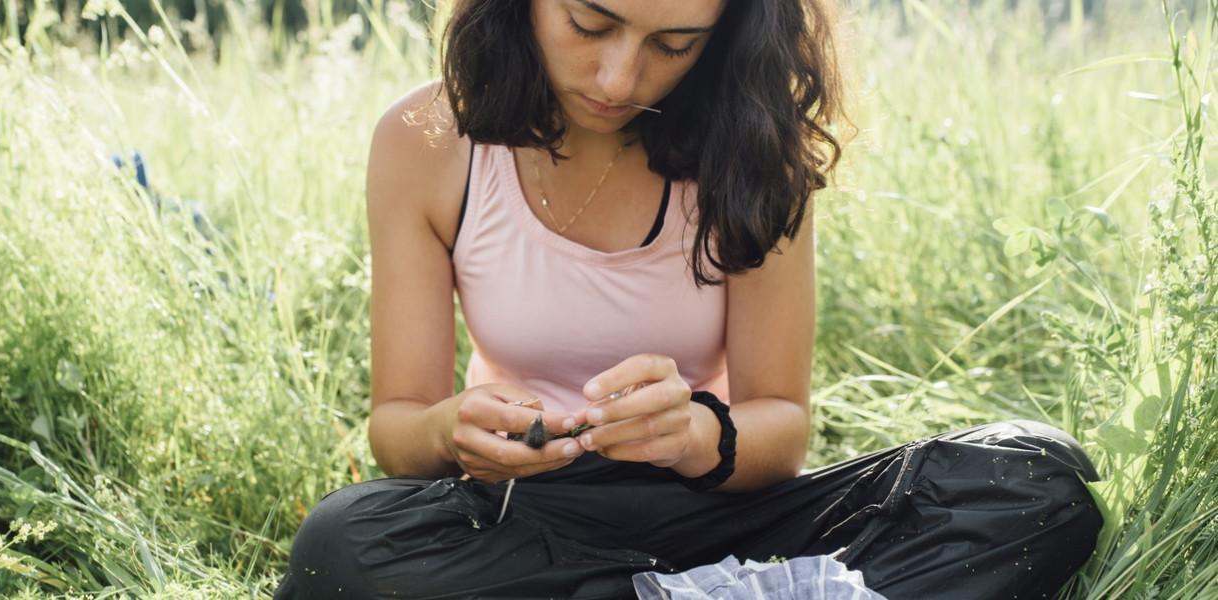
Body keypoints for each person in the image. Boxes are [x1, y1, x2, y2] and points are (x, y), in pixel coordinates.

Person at [275, 0, 1103, 597]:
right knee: (340, 545)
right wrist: (448, 431)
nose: (617, 76)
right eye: (589, 24)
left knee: (1035, 478)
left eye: (673, 44)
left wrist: (698, 432)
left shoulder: (756, 149)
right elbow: (397, 428)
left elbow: (780, 426)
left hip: (718, 512)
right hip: (524, 521)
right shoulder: (427, 140)